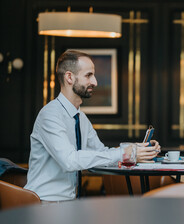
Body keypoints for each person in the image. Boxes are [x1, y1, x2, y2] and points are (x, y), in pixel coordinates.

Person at [24, 50, 160, 202]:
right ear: (69, 77)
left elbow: (101, 152)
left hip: (70, 204)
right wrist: (124, 153)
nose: (95, 82)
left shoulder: (81, 118)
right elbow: (69, 160)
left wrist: (137, 149)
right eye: (88, 75)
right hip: (44, 203)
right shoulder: (50, 115)